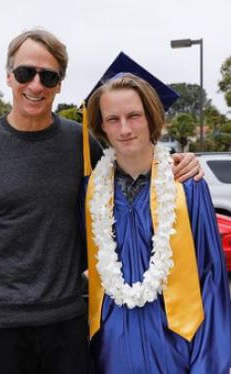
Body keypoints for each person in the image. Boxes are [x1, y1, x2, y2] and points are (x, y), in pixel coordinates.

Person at [0, 29, 203, 374]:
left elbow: (130, 174)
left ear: (59, 84)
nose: (35, 85)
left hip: (67, 323)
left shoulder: (79, 145)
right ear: (9, 77)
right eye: (25, 73)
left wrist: (180, 163)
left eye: (48, 76)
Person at [84, 72, 231, 373]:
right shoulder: (90, 191)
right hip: (111, 351)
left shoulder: (187, 185)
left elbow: (211, 277)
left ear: (151, 117)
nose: (124, 129)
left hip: (177, 345)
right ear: (101, 126)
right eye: (113, 119)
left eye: (134, 116)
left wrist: (209, 363)